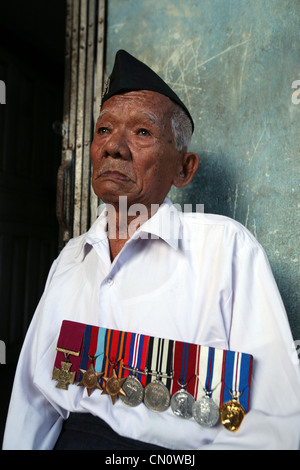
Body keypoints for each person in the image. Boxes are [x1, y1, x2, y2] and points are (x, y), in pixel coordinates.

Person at [2, 50, 300, 450]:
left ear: (184, 168)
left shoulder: (225, 249)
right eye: (104, 129)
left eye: (142, 132)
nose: (114, 147)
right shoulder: (72, 259)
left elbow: (274, 420)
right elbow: (33, 402)